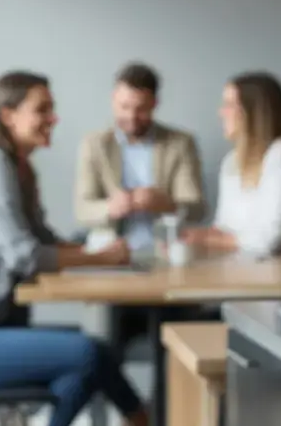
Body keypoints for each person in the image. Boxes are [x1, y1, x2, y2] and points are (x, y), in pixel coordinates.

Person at [0, 71, 149, 426]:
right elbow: (24, 255)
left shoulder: (16, 168)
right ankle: (145, 418)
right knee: (90, 352)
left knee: (84, 367)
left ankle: (142, 418)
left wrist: (90, 251)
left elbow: (42, 239)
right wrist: (99, 258)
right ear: (8, 115)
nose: (53, 118)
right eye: (42, 109)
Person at [74, 62, 205, 350]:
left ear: (155, 104)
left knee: (172, 342)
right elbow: (82, 209)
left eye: (141, 108)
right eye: (124, 107)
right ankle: (120, 394)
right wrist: (110, 207)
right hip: (115, 260)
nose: (131, 116)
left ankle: (164, 393)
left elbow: (197, 208)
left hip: (167, 261)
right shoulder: (94, 144)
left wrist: (166, 203)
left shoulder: (180, 144)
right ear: (113, 100)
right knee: (109, 341)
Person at [185, 72, 281, 256]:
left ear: (253, 112)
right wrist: (187, 236)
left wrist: (208, 239)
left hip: (279, 275)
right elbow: (223, 227)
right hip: (241, 272)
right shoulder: (231, 162)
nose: (221, 112)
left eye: (229, 105)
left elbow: (269, 240)